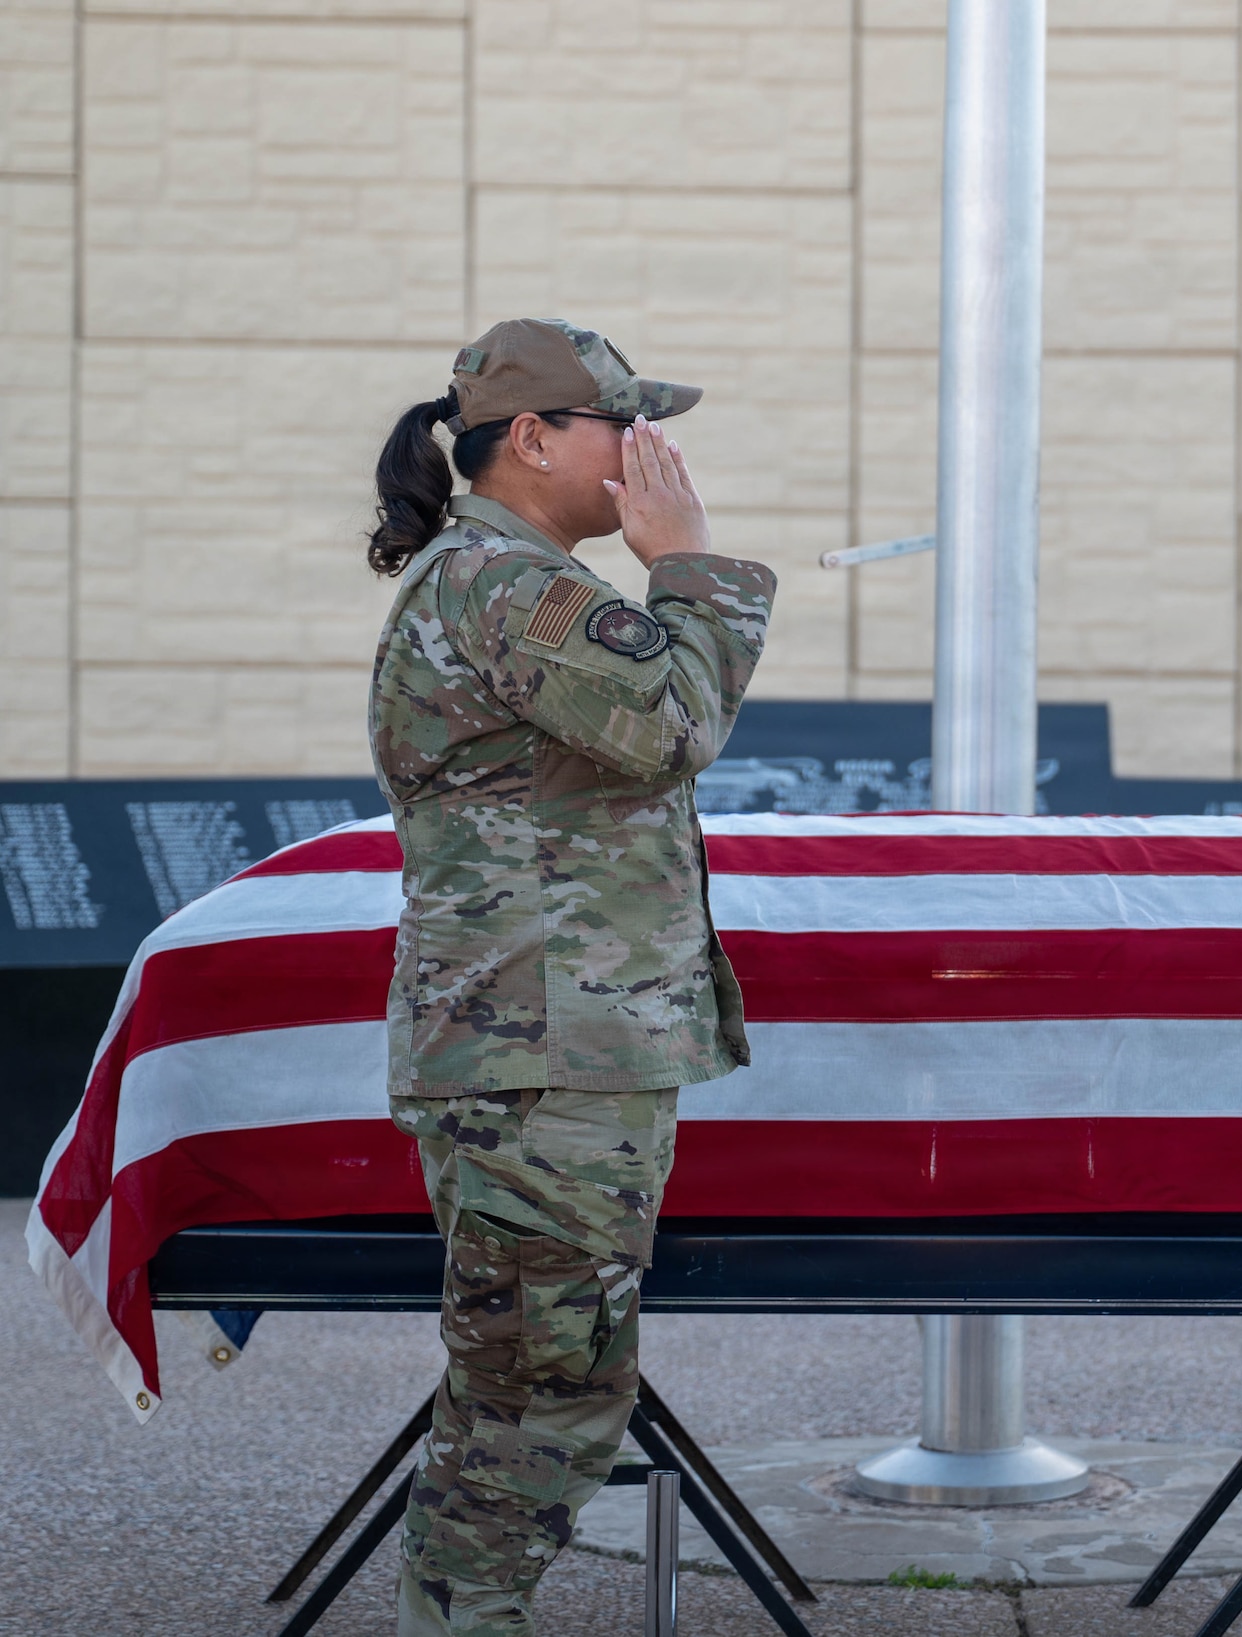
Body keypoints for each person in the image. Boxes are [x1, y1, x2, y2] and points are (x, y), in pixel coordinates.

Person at [365, 316, 776, 1636]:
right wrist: (690, 568)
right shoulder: (507, 583)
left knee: (532, 1391)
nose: (648, 450)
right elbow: (666, 726)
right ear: (532, 438)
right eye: (623, 421)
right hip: (542, 1062)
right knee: (535, 1407)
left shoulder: (501, 576)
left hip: (550, 1051)